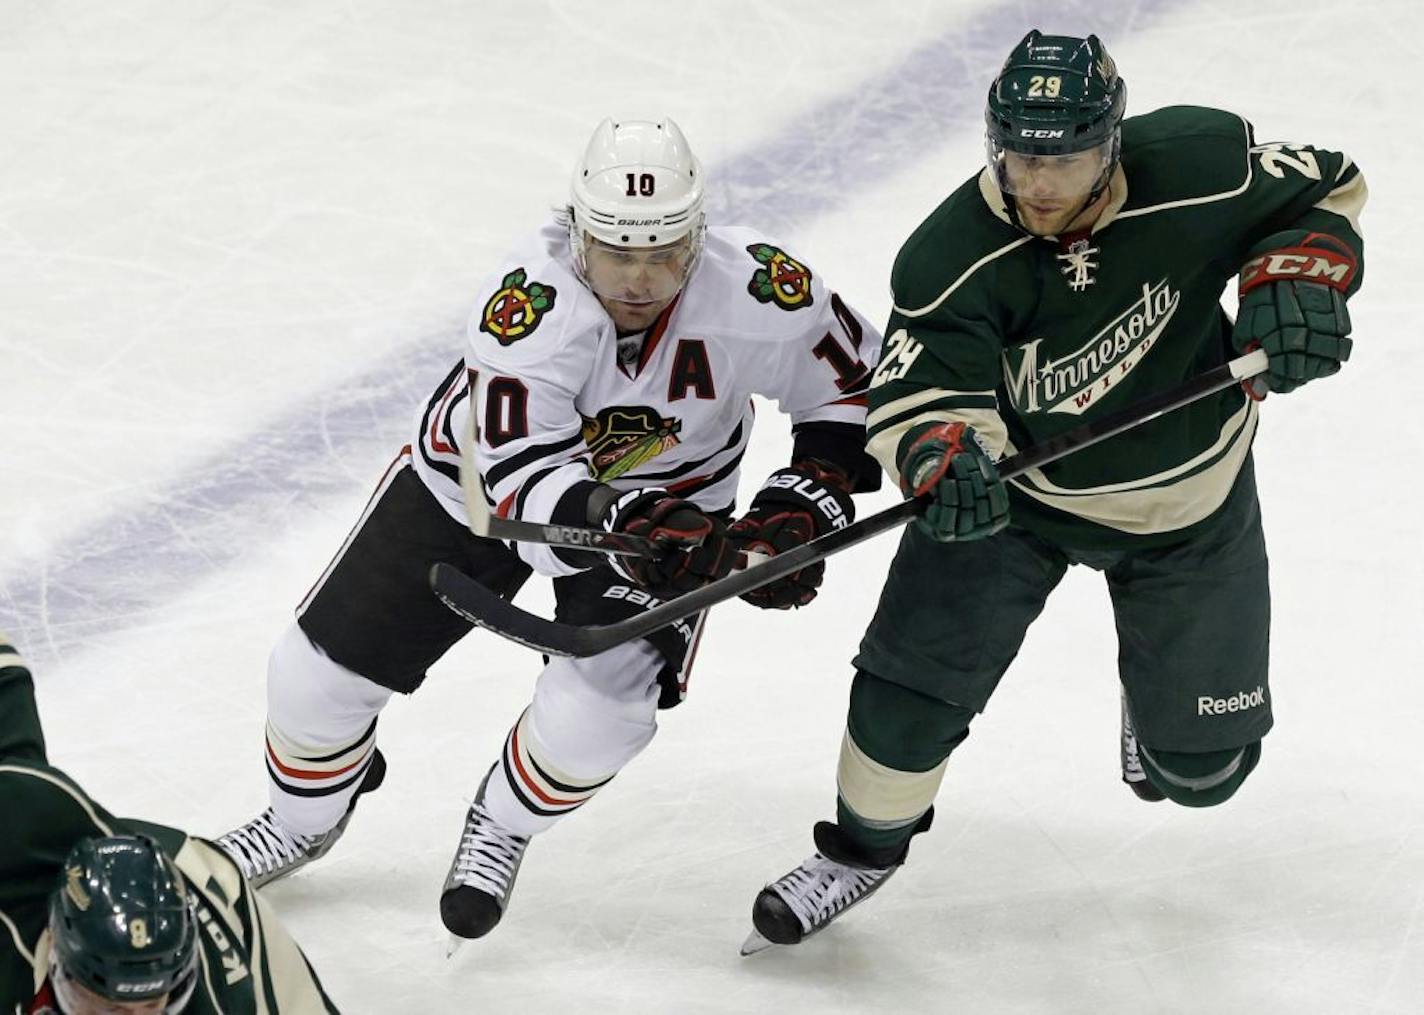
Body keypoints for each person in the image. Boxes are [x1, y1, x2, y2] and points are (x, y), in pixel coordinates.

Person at [745, 30, 1366, 950]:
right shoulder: (950, 254)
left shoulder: (1199, 161)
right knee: (900, 709)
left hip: (1190, 506)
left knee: (1202, 772)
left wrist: (1297, 274)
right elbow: (919, 395)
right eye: (1019, 155)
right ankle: (858, 853)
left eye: (1065, 157)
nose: (1037, 183)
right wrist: (943, 457)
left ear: (1112, 140)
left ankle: (1154, 698)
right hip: (1015, 511)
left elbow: (1324, 189)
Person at [214, 117, 881, 944]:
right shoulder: (527, 310)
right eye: (616, 253)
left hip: (671, 499)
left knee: (604, 713)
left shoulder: (757, 290)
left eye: (663, 253)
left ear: (698, 239)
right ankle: (300, 817)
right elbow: (521, 479)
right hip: (474, 488)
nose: (639, 280)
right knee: (311, 677)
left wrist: (802, 500)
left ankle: (502, 821)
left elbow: (855, 387)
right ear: (576, 235)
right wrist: (634, 520)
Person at [0, 634, 339, 1013]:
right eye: (111, 1011)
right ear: (57, 958)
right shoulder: (21, 834)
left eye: (152, 1006)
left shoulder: (220, 999)